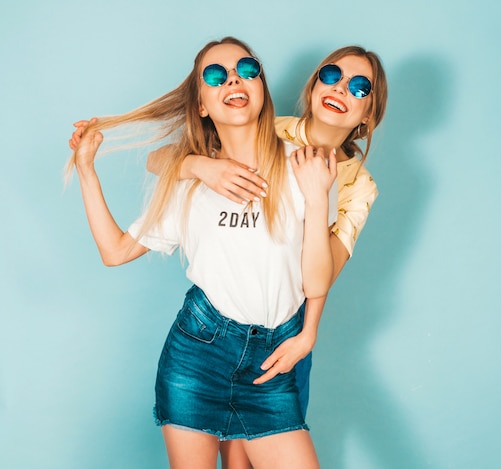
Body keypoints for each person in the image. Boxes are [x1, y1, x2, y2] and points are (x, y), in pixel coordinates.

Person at [66, 37, 337, 469]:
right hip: (199, 354)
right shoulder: (189, 183)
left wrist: (319, 197)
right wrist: (86, 171)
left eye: (247, 69)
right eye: (215, 75)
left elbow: (315, 282)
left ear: (261, 90)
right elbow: (115, 251)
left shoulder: (305, 166)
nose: (233, 78)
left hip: (272, 362)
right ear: (202, 106)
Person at [127, 45, 389, 469]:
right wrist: (201, 166)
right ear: (313, 85)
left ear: (367, 116)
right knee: (235, 459)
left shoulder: (359, 185)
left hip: (287, 336)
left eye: (359, 88)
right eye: (332, 75)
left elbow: (318, 279)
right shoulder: (273, 131)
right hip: (220, 328)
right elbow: (161, 161)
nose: (341, 88)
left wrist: (307, 335)